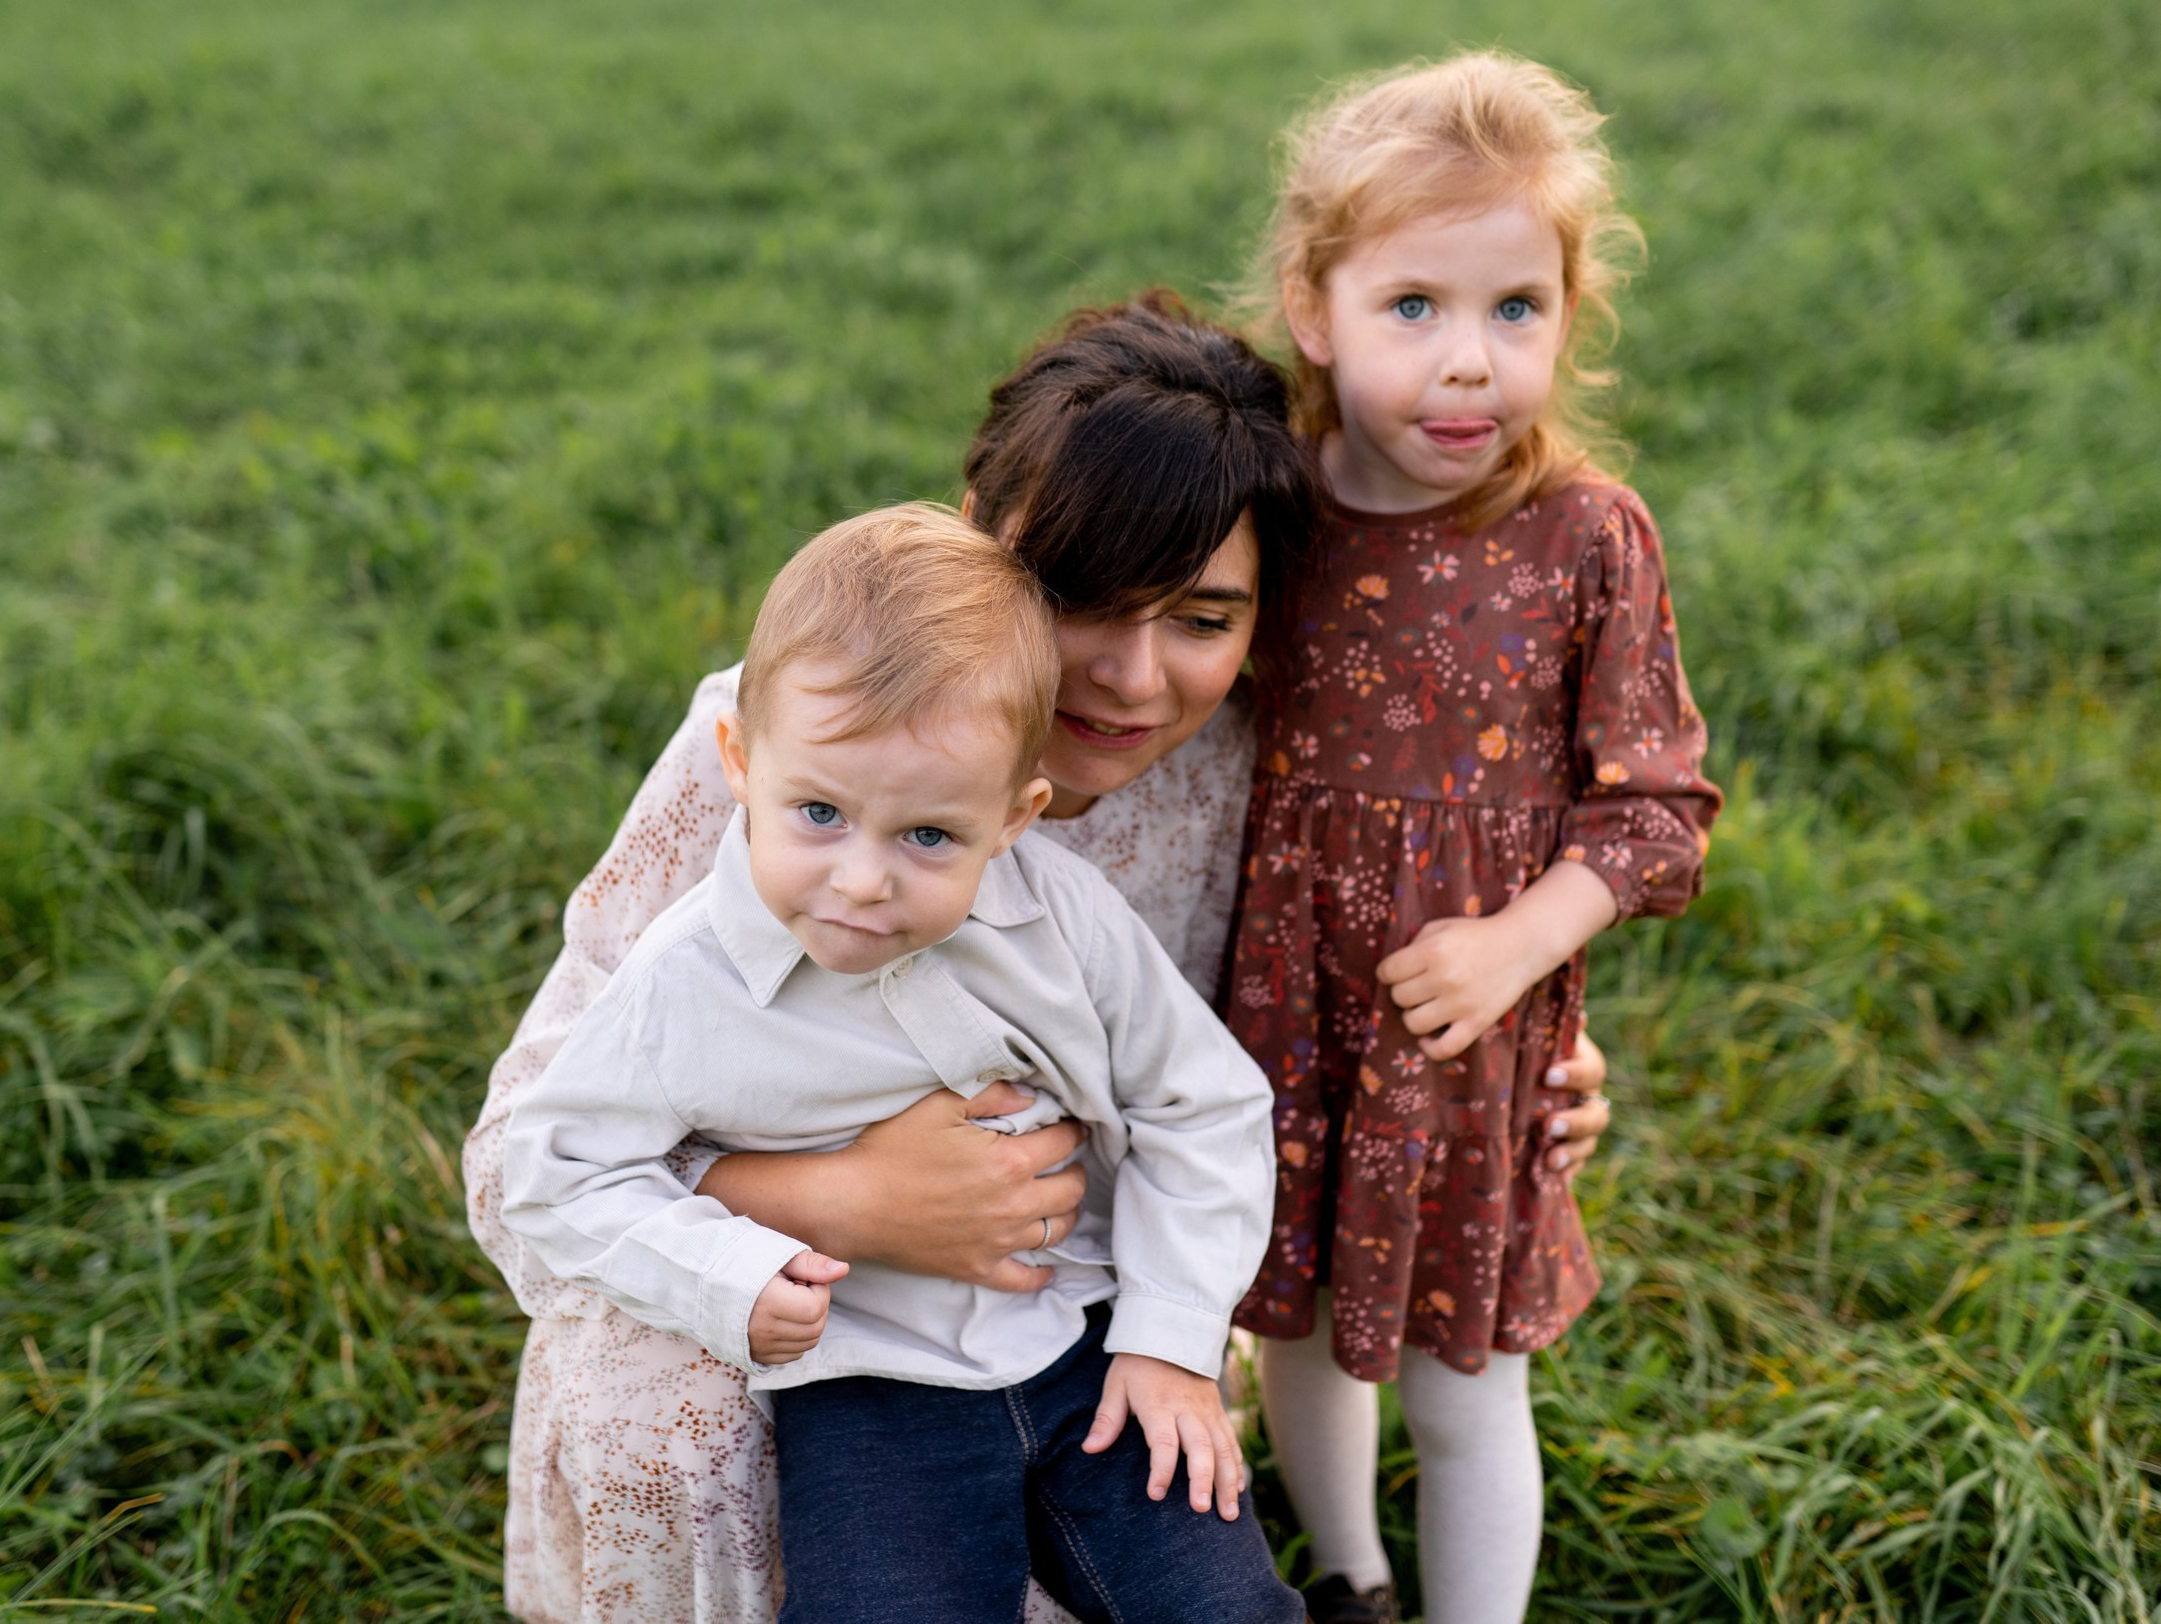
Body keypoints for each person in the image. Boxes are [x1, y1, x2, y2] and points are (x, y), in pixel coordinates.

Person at [462, 294, 1618, 1624]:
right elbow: (521, 1164)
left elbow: (1329, 1025)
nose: (1130, 679)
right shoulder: (799, 750)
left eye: (1201, 617)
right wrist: (836, 1199)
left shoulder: (1264, 776)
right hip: (804, 1313)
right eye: (1078, 597)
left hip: (1084, 1319)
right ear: (978, 532)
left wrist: (1530, 1044)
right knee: (663, 1416)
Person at [493, 505, 1303, 1623]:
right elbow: (552, 1166)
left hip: (1087, 1343)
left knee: (1226, 1607)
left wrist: (1170, 1341)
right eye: (819, 812)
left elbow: (1201, 1101)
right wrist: (728, 1277)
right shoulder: (686, 980)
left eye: (927, 835)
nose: (864, 880)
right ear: (738, 759)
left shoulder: (1063, 922)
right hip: (866, 1384)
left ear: (1015, 818)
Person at [1225, 53, 1724, 1624]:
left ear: (1571, 308)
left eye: (1517, 308)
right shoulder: (1271, 513)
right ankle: (1355, 1581)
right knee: (1298, 1332)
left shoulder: (1585, 534)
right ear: (1318, 309)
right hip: (1289, 1020)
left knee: (1463, 1372)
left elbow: (1655, 806)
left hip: (1473, 1037)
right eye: (1414, 308)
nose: (1469, 366)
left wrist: (1520, 946)